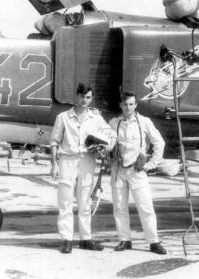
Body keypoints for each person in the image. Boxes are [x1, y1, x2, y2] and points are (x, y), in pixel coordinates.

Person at [50, 83, 116, 254]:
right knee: (65, 201)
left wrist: (104, 147)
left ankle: (86, 239)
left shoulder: (96, 118)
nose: (84, 100)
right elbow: (54, 141)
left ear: (91, 98)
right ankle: (66, 239)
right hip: (67, 160)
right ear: (76, 96)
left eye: (88, 97)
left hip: (87, 160)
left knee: (85, 201)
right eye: (82, 97)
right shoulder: (63, 117)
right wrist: (54, 164)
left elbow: (110, 134)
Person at [108, 91, 167, 255]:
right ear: (121, 105)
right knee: (119, 208)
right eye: (125, 104)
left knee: (145, 206)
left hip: (137, 170)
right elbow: (106, 142)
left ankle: (154, 242)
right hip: (119, 170)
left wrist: (151, 164)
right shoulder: (113, 123)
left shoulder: (144, 122)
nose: (128, 107)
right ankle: (124, 240)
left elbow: (159, 143)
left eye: (131, 104)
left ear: (136, 105)